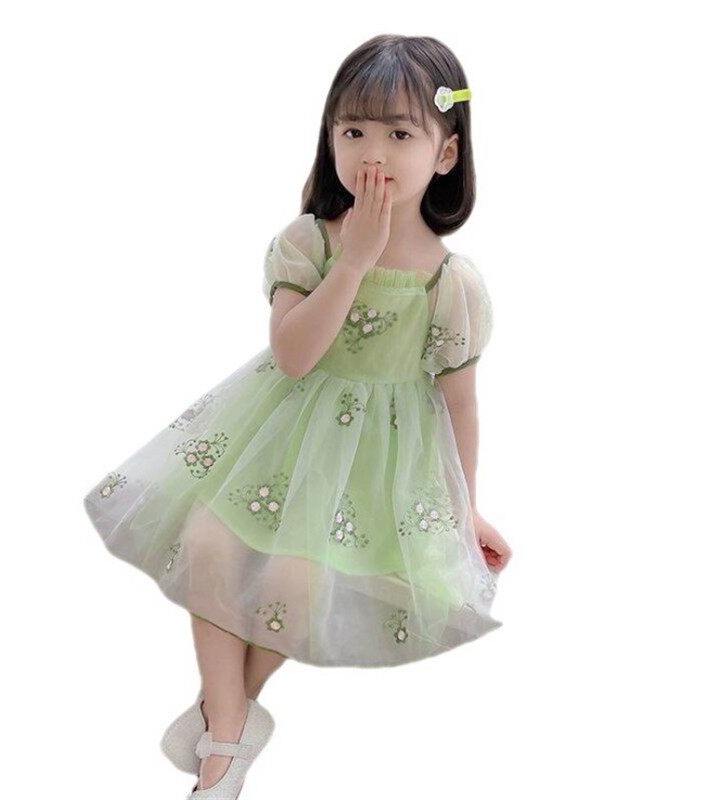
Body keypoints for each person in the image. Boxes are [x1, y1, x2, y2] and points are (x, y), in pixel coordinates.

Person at [83, 33, 513, 799]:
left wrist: (466, 507)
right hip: (280, 429)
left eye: (400, 134)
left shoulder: (452, 282)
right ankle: (228, 734)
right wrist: (355, 260)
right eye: (354, 130)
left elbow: (460, 402)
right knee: (209, 542)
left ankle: (224, 724)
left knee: (297, 578)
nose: (372, 153)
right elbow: (293, 356)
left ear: (446, 152)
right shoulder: (309, 241)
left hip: (376, 463)